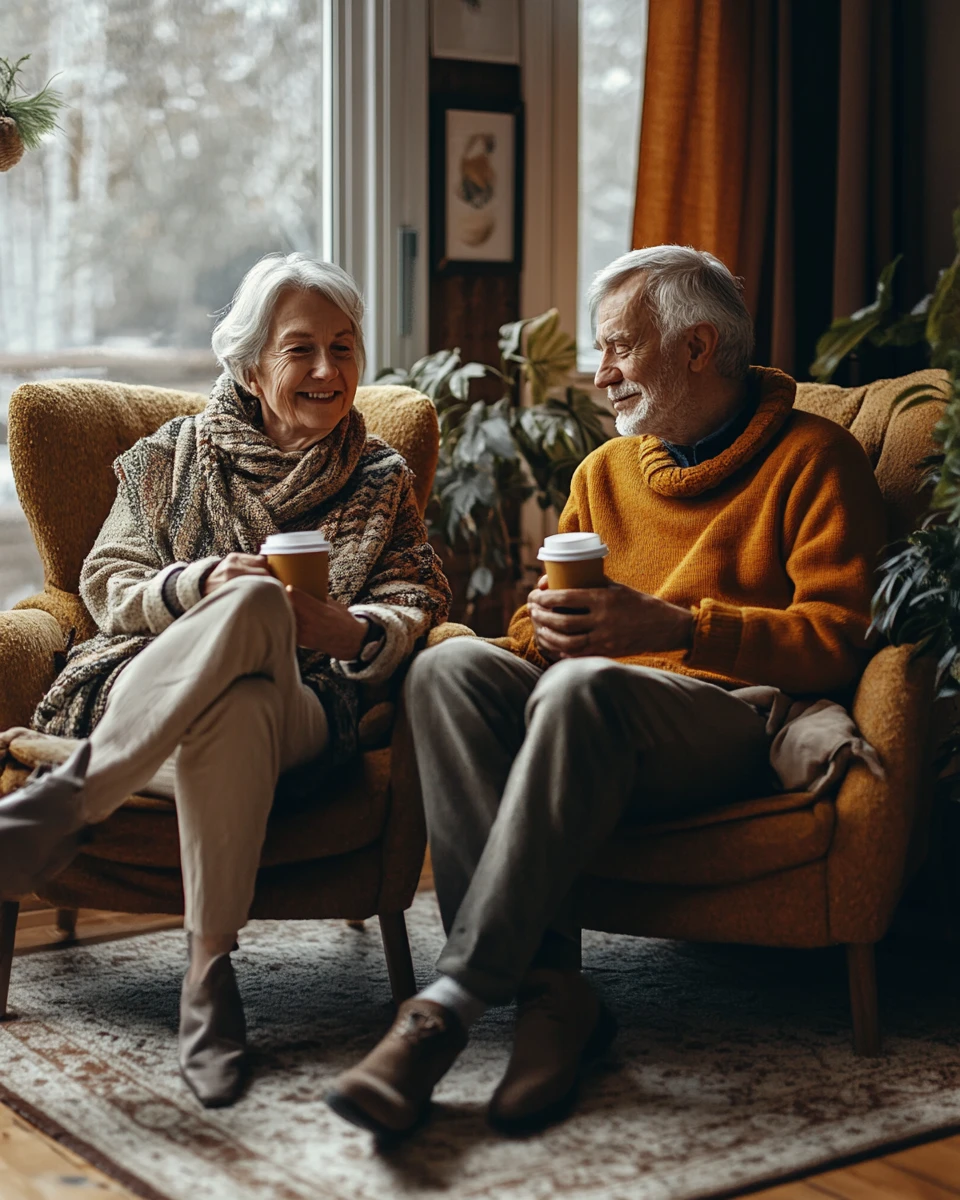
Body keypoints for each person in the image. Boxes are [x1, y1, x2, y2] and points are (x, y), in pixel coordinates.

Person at [325, 245, 887, 1138]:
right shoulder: (604, 473)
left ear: (698, 346)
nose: (602, 372)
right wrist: (536, 632)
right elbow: (537, 627)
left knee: (580, 692)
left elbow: (843, 637)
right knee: (448, 665)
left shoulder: (816, 459)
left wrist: (677, 627)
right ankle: (553, 998)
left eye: (621, 347)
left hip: (733, 719)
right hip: (583, 709)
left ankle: (447, 1004)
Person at [0, 252, 451, 1108]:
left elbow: (418, 597)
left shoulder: (381, 477)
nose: (327, 370)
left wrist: (349, 629)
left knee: (266, 621)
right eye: (300, 349)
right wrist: (196, 584)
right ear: (250, 364)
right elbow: (104, 587)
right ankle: (210, 982)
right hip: (155, 693)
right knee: (241, 645)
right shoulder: (167, 459)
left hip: (314, 708)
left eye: (344, 348)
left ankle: (67, 799)